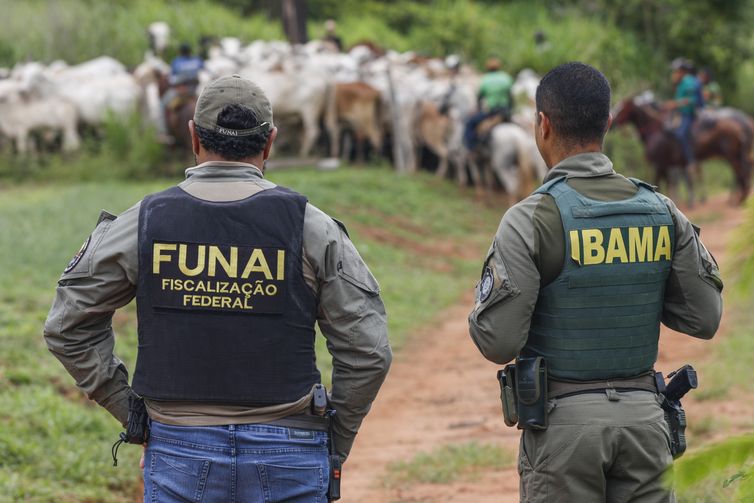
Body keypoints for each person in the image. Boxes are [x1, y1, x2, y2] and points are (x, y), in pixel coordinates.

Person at [44, 75, 392, 502]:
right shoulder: (312, 227)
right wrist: (334, 439)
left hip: (178, 453)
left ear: (193, 136)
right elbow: (368, 351)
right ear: (270, 143)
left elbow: (67, 326)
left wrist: (129, 410)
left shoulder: (142, 222)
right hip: (290, 453)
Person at [468, 62, 723, 502]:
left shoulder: (529, 219)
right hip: (646, 424)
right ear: (607, 123)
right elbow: (705, 317)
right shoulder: (662, 210)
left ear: (543, 125)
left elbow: (498, 342)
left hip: (563, 430)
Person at [463, 57, 514, 151]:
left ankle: (472, 149)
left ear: (488, 68)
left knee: (470, 124)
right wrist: (511, 109)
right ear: (499, 67)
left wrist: (478, 109)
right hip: (505, 112)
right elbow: (511, 97)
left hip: (492, 112)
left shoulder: (485, 79)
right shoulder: (506, 77)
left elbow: (479, 97)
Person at [157, 42, 204, 140]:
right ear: (190, 52)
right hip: (197, 90)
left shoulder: (176, 62)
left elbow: (172, 79)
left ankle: (163, 132)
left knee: (162, 105)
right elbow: (205, 73)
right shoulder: (197, 60)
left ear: (180, 52)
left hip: (181, 92)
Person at [664, 58, 703, 173]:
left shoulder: (689, 81)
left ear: (682, 71)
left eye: (676, 71)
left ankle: (691, 161)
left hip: (688, 113)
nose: (674, 74)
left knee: (681, 134)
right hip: (680, 113)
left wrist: (675, 104)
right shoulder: (681, 83)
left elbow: (691, 100)